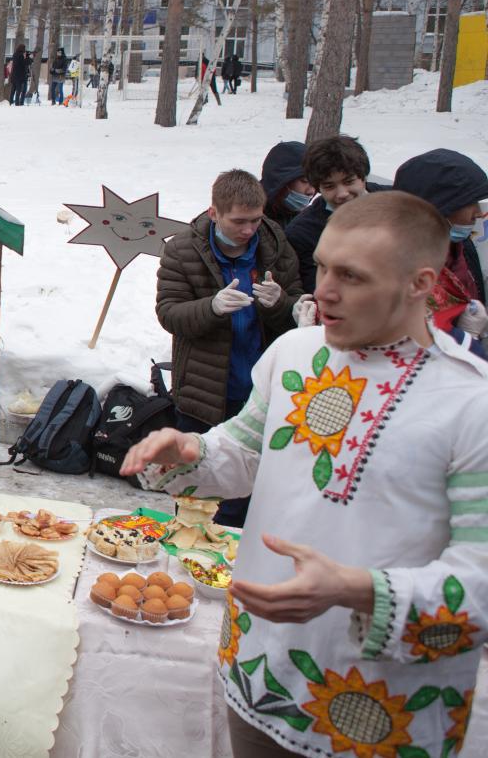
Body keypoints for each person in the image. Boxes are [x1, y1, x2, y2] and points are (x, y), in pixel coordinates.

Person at [123, 191, 488, 758]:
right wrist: (188, 451)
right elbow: (242, 453)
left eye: (352, 276)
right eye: (321, 267)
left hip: (382, 709)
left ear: (420, 283)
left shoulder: (471, 404)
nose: (323, 291)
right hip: (257, 674)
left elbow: (481, 585)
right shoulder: (294, 353)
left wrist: (356, 589)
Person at [155, 169, 301, 525]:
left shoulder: (276, 246)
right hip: (202, 391)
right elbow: (169, 313)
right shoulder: (182, 250)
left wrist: (281, 303)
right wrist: (212, 307)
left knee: (242, 493)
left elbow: (296, 313)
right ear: (214, 213)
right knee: (194, 486)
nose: (248, 230)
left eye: (255, 220)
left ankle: (227, 566)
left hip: (257, 391)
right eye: (238, 221)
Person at [392, 148, 487, 341]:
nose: (478, 213)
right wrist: (467, 337)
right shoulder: (397, 269)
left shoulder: (460, 247)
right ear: (439, 206)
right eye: (470, 202)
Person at [286, 135, 378, 292]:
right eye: (329, 186)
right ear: (317, 188)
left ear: (363, 177)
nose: (342, 193)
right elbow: (317, 289)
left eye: (349, 182)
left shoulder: (395, 201)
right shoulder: (303, 232)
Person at [259, 140, 312, 229]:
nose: (311, 191)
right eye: (304, 181)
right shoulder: (247, 216)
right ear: (281, 179)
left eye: (315, 182)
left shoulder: (306, 220)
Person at [8, 40, 29, 106]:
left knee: (13, 90)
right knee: (18, 90)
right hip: (19, 76)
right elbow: (23, 63)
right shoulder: (21, 55)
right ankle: (17, 103)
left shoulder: (15, 54)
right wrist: (28, 59)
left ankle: (10, 101)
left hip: (14, 75)